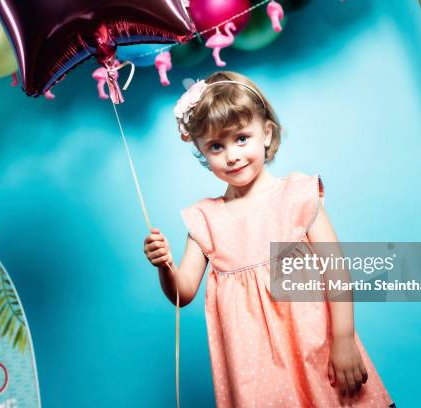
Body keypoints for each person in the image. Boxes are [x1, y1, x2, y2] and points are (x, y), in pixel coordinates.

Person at [143, 71, 394, 407]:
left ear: (267, 134)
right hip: (255, 373)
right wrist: (165, 265)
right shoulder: (205, 218)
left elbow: (336, 271)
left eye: (241, 138)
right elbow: (182, 293)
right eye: (216, 146)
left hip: (317, 351)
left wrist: (344, 340)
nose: (231, 155)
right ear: (202, 150)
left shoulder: (297, 194)